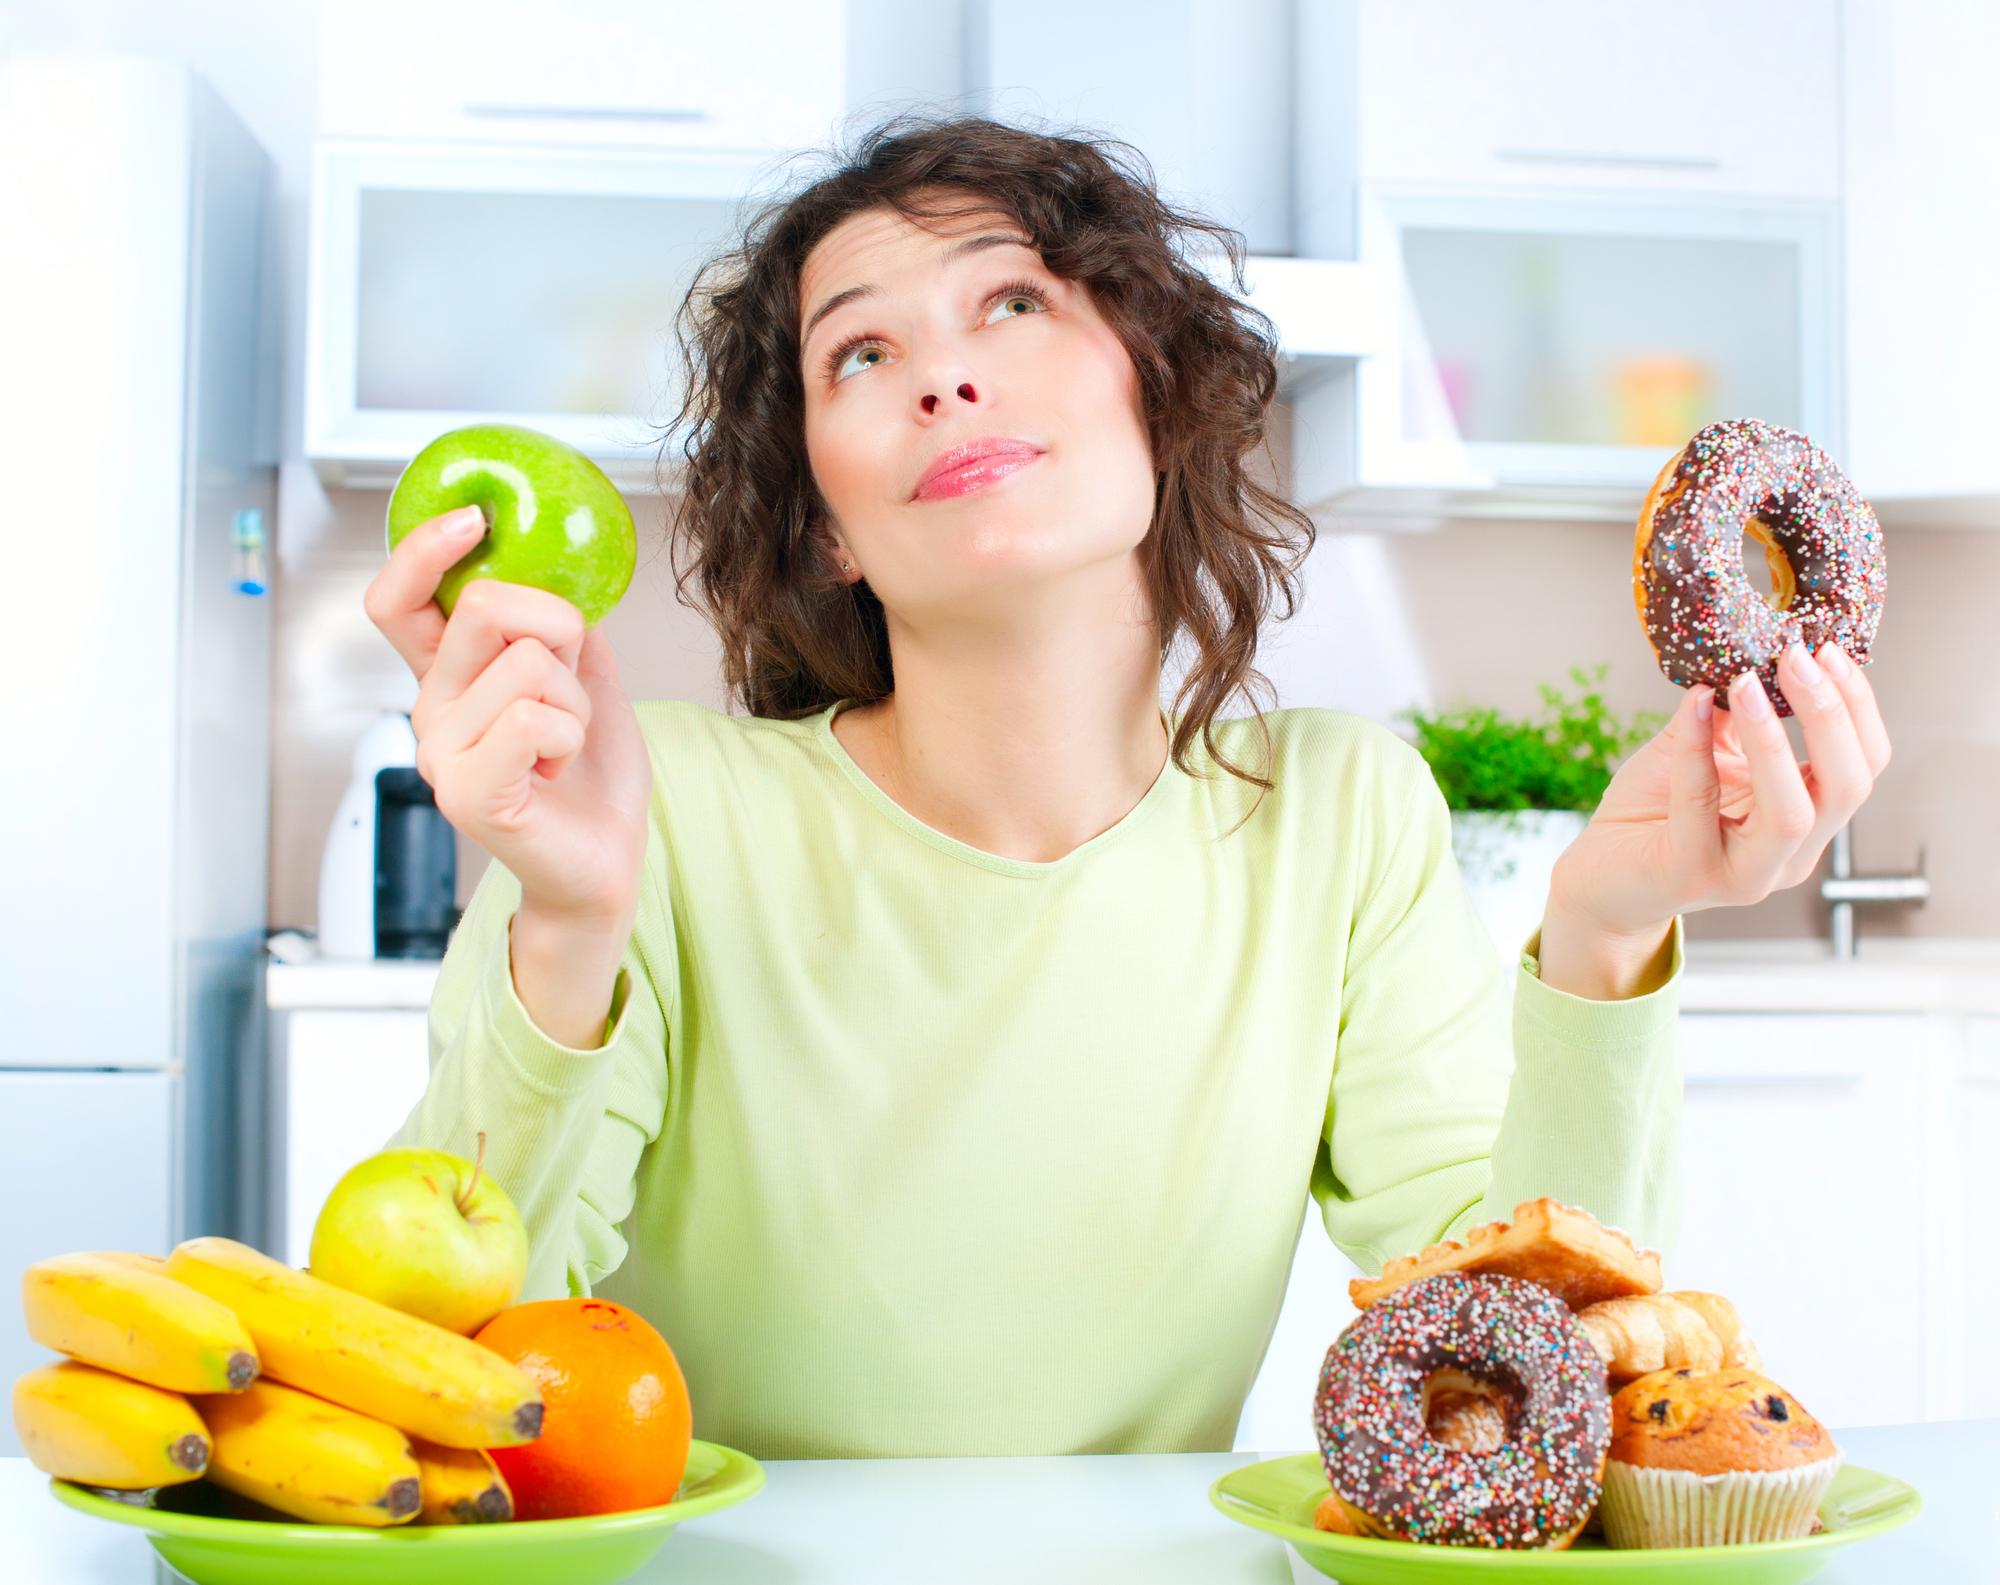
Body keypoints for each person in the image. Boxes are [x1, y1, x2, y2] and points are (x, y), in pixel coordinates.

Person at [365, 119, 1891, 1460]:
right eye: (862, 351)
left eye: (1013, 302)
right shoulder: (660, 815)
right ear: (824, 520)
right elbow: (452, 1353)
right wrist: (564, 925)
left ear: (1155, 392)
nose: (947, 375)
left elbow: (1510, 1348)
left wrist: (1608, 927)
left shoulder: (1339, 817)